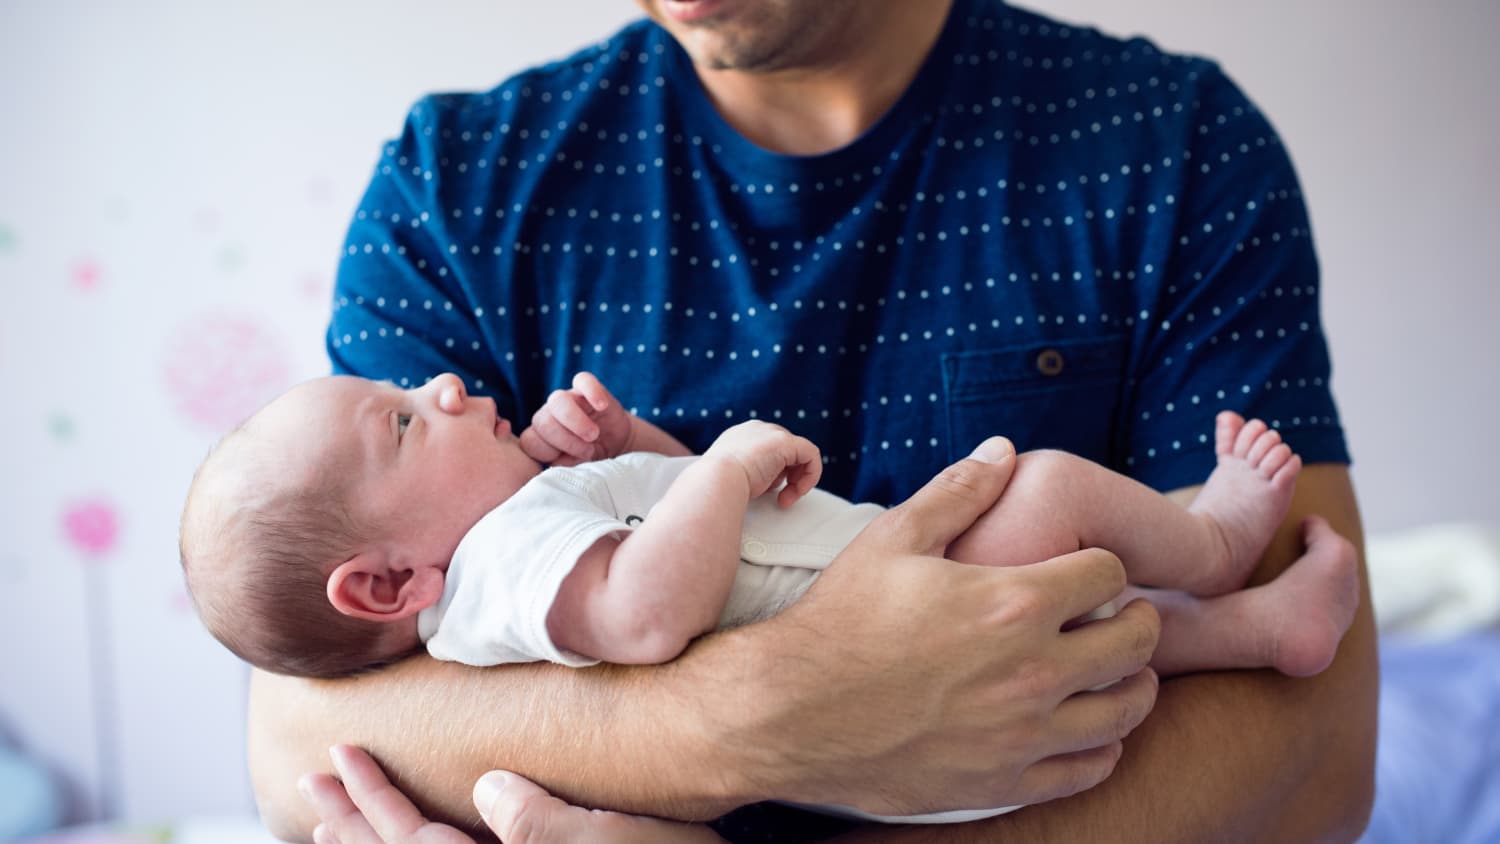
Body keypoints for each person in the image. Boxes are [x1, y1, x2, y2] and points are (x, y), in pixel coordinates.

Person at [249, 0, 1378, 841]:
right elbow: (301, 733)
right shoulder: (456, 186)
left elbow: (1313, 750)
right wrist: (768, 718)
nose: (441, 412)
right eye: (404, 423)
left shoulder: (1170, 146)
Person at [185, 369, 1353, 690]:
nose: (442, 385)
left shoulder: (518, 545)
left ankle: (1256, 633)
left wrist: (629, 445)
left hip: (918, 637)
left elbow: (693, 541)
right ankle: (1214, 543)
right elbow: (651, 613)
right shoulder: (494, 570)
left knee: (1088, 621)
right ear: (388, 585)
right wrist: (735, 458)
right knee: (1043, 496)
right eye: (398, 426)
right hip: (904, 644)